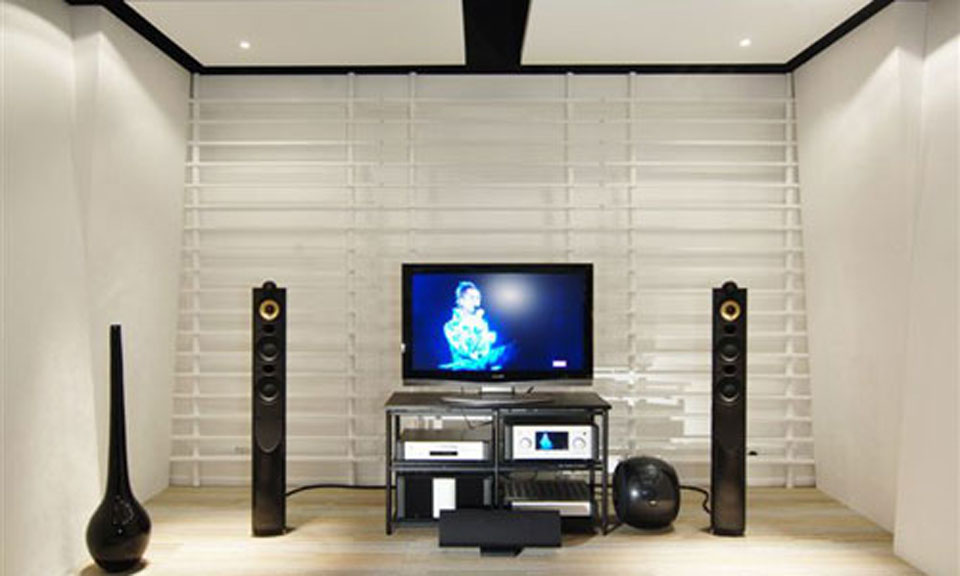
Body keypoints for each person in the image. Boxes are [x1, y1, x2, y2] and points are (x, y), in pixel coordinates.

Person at [440, 281, 507, 370]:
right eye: (472, 298)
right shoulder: (450, 326)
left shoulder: (482, 323)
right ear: (460, 301)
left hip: (483, 367)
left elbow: (483, 351)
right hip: (465, 369)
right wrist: (476, 323)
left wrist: (487, 338)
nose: (477, 303)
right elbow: (466, 350)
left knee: (511, 349)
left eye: (478, 299)